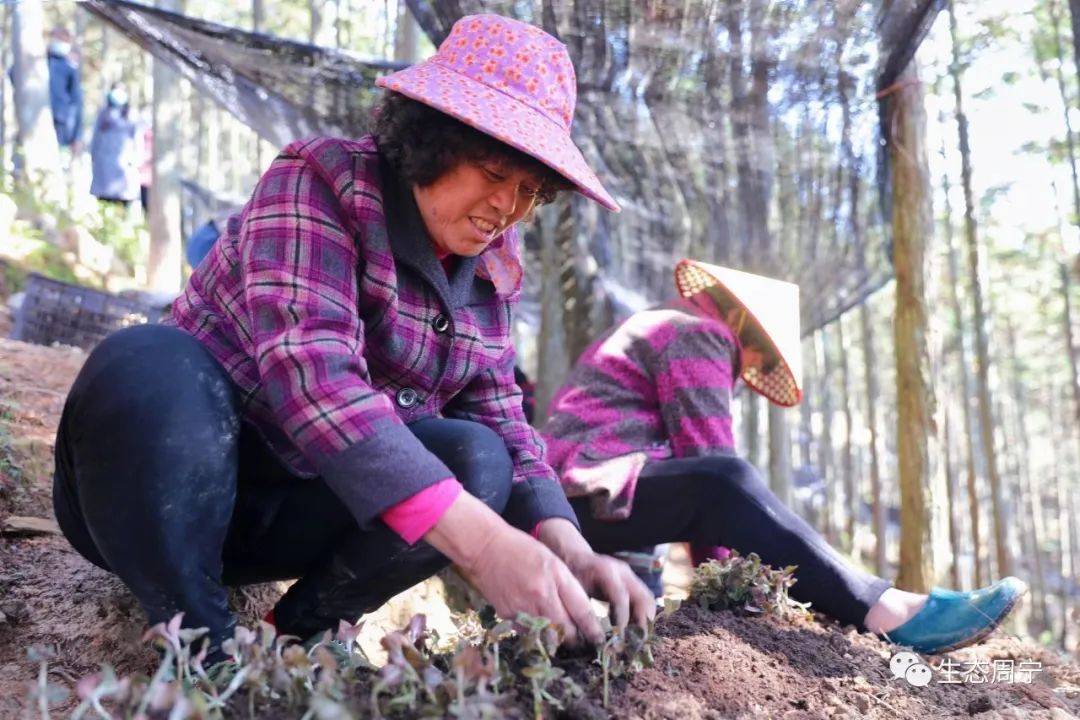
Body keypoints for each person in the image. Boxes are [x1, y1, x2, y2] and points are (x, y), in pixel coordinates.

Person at [53, 14, 654, 663]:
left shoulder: (492, 267)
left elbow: (501, 414)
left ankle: (299, 634)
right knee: (147, 363)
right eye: (491, 171)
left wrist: (565, 541)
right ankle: (203, 646)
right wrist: (483, 546)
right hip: (160, 493)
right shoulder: (322, 182)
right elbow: (314, 377)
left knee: (480, 458)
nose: (506, 208)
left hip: (282, 520)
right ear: (432, 140)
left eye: (529, 191)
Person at [542, 260, 1026, 654]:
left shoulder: (662, 325)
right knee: (724, 476)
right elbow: (711, 473)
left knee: (712, 480)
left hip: (572, 497)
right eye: (757, 355)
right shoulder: (696, 332)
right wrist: (732, 583)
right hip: (582, 493)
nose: (749, 368)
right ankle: (886, 609)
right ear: (737, 322)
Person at [89, 83, 141, 206]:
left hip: (124, 170)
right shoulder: (103, 114)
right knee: (104, 204)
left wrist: (135, 160)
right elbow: (95, 139)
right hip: (104, 169)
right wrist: (94, 156)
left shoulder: (131, 115)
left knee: (123, 203)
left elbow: (138, 139)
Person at [46, 28, 83, 154]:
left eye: (63, 40)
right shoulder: (40, 62)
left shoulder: (69, 68)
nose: (59, 42)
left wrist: (77, 136)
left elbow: (77, 102)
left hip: (61, 124)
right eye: (57, 39)